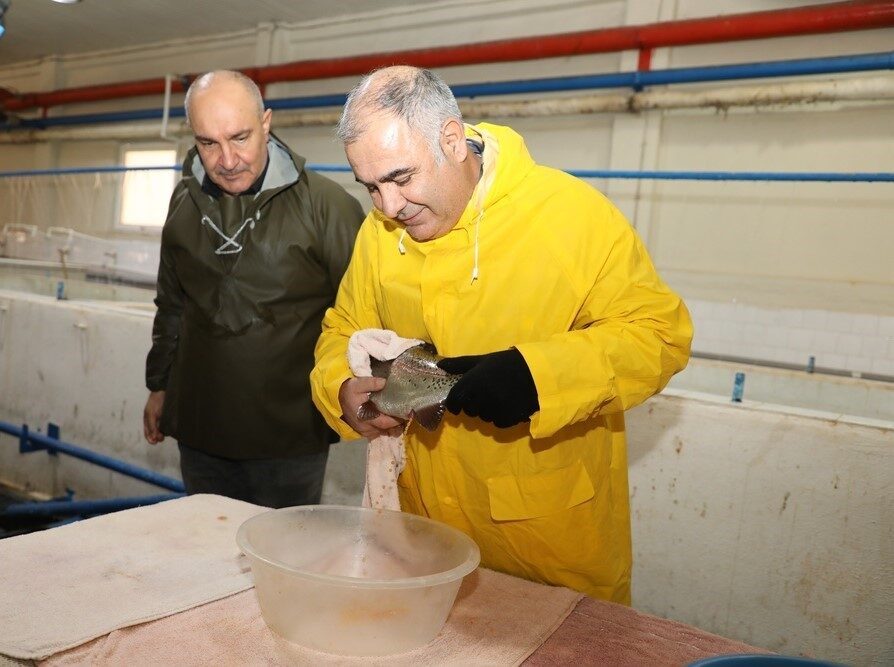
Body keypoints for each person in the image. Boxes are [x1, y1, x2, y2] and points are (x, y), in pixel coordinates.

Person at [310, 66, 693, 603]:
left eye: (401, 178)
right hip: (423, 539)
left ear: (451, 138)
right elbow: (342, 329)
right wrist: (341, 392)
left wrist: (540, 377)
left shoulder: (569, 216)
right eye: (370, 186)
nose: (388, 206)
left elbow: (659, 334)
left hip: (545, 544)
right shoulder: (380, 235)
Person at [143, 70, 364, 508]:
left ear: (266, 123)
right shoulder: (182, 202)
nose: (227, 159)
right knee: (209, 556)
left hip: (289, 436)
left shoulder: (327, 207)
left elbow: (365, 316)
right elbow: (172, 304)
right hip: (198, 426)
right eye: (208, 143)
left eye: (239, 137)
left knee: (282, 560)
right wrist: (159, 386)